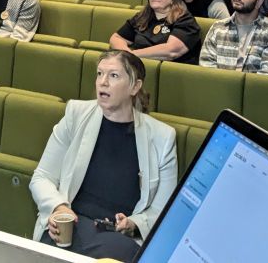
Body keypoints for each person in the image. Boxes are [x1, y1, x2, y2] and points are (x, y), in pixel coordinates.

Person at [30, 50, 177, 259]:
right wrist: (59, 207)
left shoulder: (163, 138)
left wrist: (134, 224)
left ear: (135, 87)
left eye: (113, 76)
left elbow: (163, 211)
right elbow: (41, 177)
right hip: (68, 226)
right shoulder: (75, 114)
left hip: (117, 240)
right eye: (99, 74)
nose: (102, 82)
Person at [110, 0, 201, 64]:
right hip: (139, 68)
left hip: (172, 74)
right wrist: (125, 54)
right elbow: (116, 38)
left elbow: (171, 51)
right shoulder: (142, 17)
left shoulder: (185, 20)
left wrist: (132, 55)